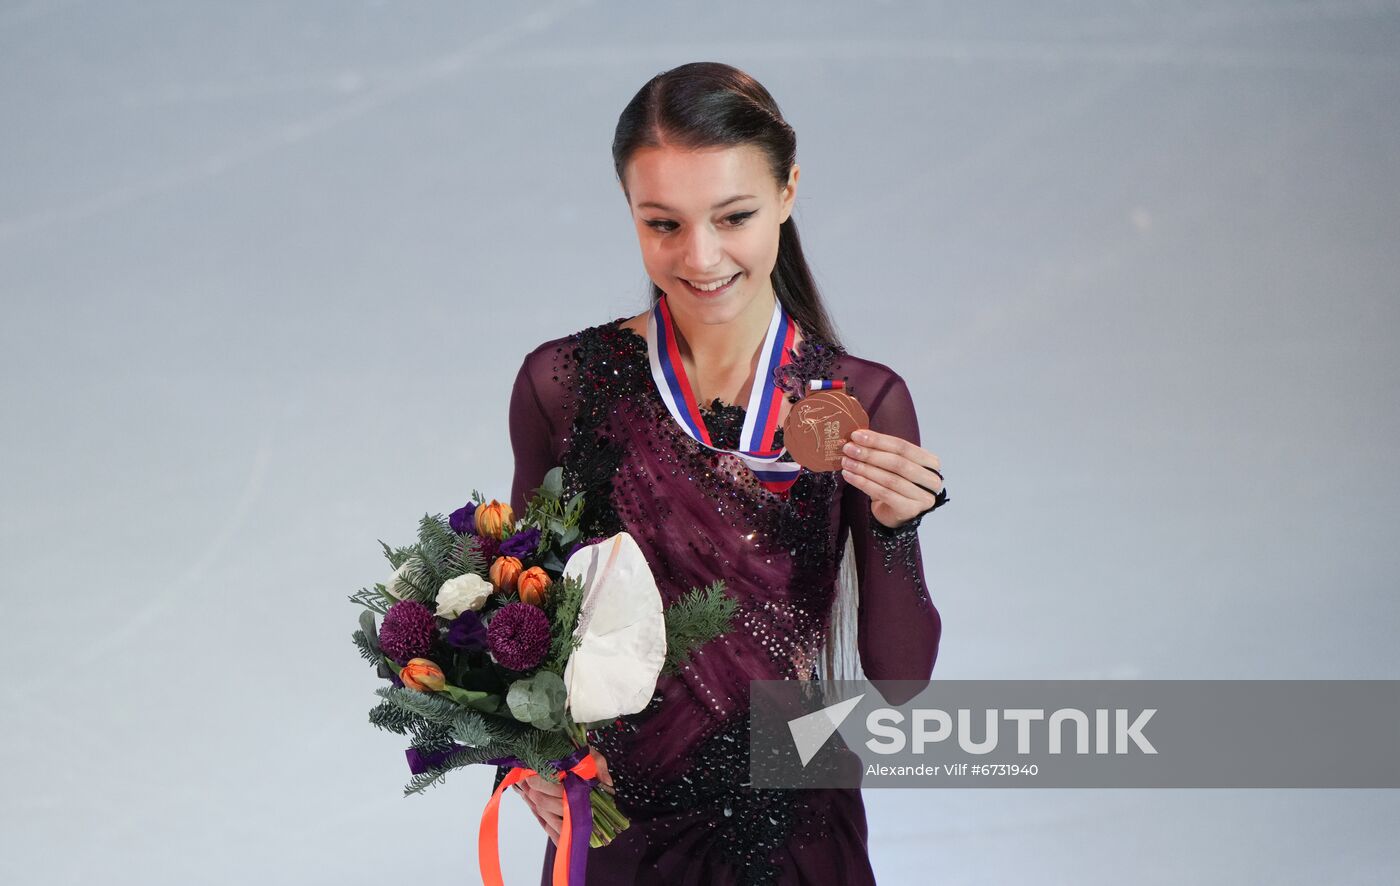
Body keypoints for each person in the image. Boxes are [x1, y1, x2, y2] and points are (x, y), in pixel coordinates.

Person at [501, 61, 946, 886]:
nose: (700, 257)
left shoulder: (861, 400)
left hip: (794, 815)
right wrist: (521, 759)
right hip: (617, 819)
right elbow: (520, 616)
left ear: (788, 192)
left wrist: (894, 529)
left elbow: (900, 677)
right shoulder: (561, 385)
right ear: (629, 212)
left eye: (733, 216)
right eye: (662, 223)